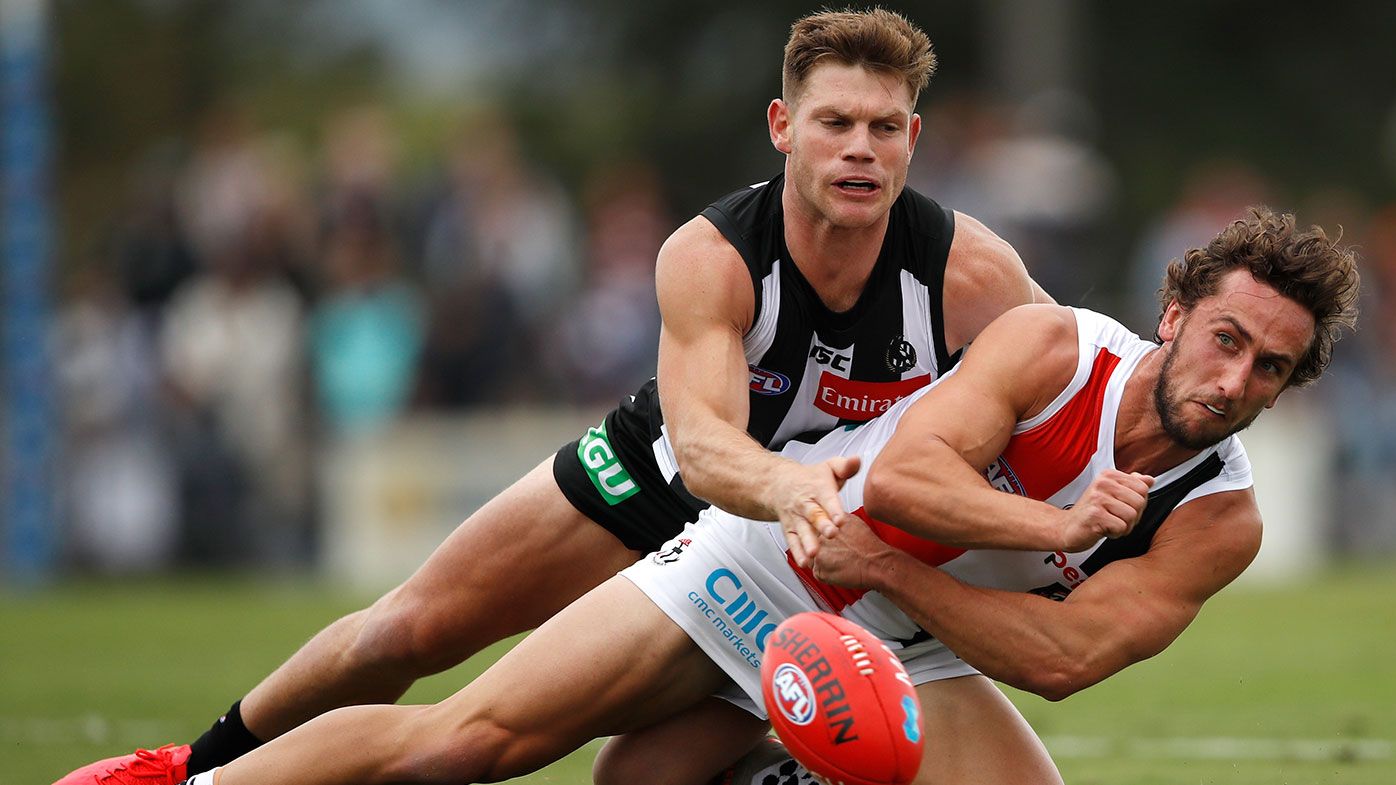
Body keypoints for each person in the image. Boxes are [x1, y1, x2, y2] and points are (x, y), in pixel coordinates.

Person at [55, 9, 1050, 785]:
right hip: (670, 482)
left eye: (884, 127)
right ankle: (188, 763)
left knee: (624, 761)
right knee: (411, 632)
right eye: (834, 122)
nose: (859, 149)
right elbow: (705, 447)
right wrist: (789, 489)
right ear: (784, 126)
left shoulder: (969, 270)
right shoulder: (713, 254)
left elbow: (1069, 384)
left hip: (817, 555)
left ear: (915, 138)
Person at [160, 206, 1360, 785]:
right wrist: (1050, 523)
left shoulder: (1220, 516)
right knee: (467, 739)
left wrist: (891, 575)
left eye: (1268, 366)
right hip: (760, 560)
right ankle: (201, 783)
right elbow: (904, 475)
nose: (1233, 376)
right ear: (1174, 315)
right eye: (1223, 338)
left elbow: (1060, 655)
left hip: (897, 619)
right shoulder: (1056, 350)